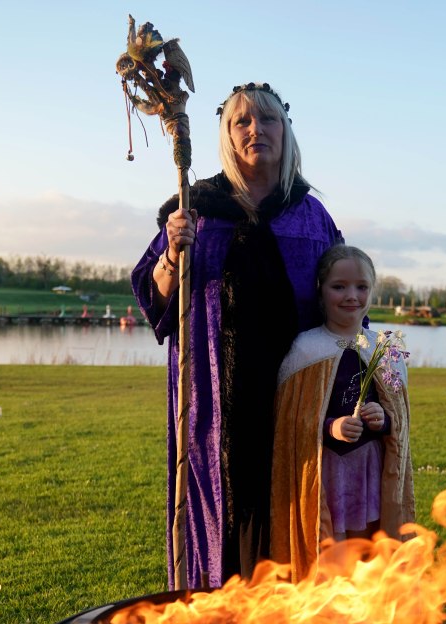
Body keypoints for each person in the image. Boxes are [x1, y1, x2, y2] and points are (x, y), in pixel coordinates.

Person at [132, 83, 342, 589]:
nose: (256, 130)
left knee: (292, 502)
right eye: (242, 122)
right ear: (226, 135)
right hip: (213, 400)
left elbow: (344, 301)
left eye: (268, 120)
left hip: (296, 393)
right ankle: (215, 620)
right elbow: (153, 297)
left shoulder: (312, 217)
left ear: (286, 131)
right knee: (221, 506)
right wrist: (171, 256)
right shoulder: (194, 209)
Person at [270, 245, 415, 583]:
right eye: (339, 286)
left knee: (368, 547)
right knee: (331, 550)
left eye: (361, 287)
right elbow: (287, 425)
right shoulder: (305, 349)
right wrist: (329, 426)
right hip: (326, 473)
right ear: (321, 290)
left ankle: (367, 614)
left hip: (369, 470)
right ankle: (330, 614)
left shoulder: (385, 349)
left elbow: (401, 422)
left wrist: (384, 419)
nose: (351, 296)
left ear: (372, 291)